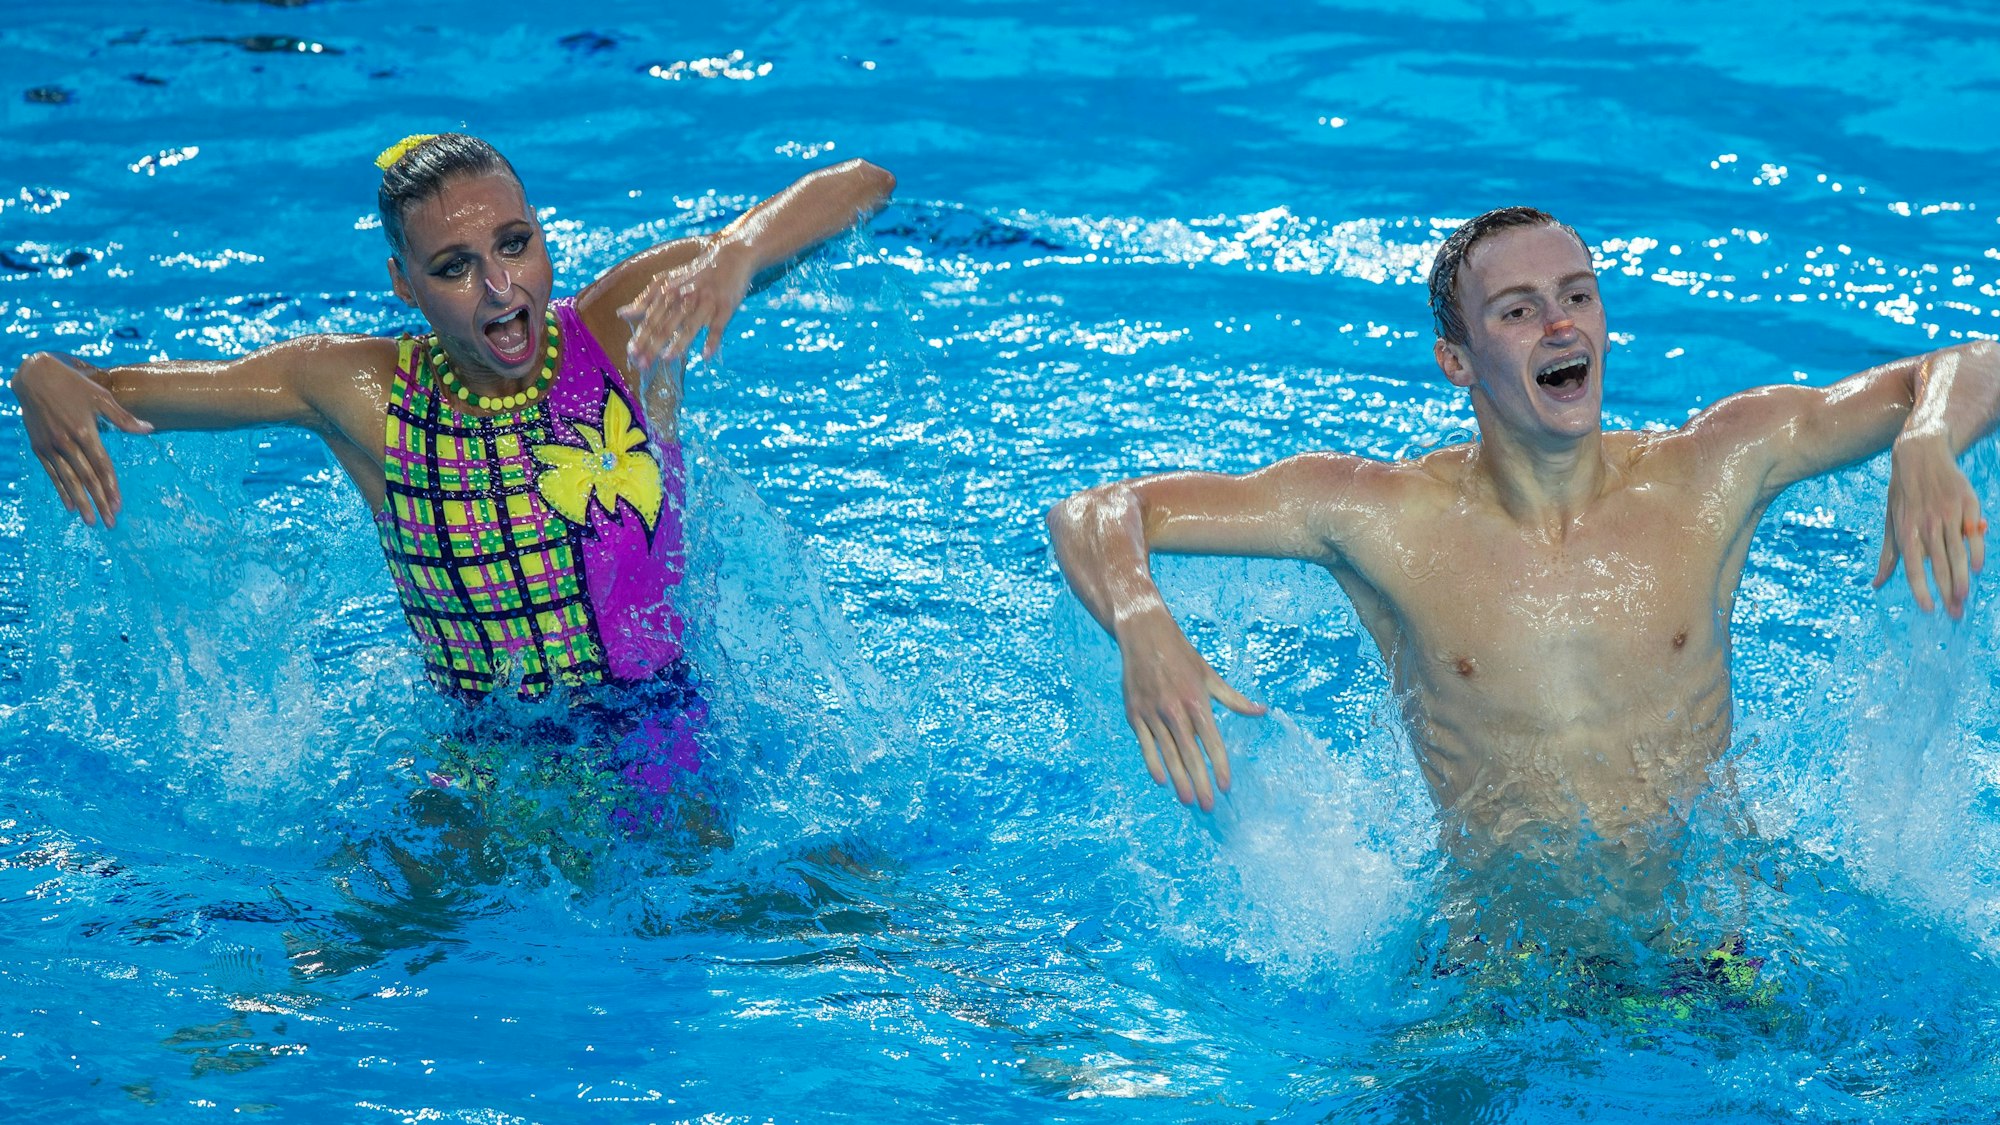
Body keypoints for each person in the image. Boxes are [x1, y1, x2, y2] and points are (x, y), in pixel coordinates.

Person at [1047, 206, 2000, 856]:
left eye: (1578, 295)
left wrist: (1926, 436)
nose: (1559, 324)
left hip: (1708, 939)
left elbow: (1972, 362)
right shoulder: (1384, 515)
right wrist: (1138, 615)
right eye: (1519, 310)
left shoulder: (1710, 468)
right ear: (1456, 361)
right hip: (1501, 969)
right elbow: (1096, 510)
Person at [14, 132, 894, 815]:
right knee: (366, 938)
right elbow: (106, 395)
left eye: (515, 244)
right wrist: (35, 375)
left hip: (661, 723)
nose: (500, 287)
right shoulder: (360, 394)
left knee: (781, 903)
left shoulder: (626, 331)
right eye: (454, 266)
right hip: (488, 755)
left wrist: (734, 254)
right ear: (405, 284)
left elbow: (865, 184)